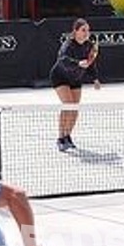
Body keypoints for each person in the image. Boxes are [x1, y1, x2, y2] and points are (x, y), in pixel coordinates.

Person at [49, 17, 101, 151]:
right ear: (75, 31)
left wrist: (95, 79)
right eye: (83, 30)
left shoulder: (89, 45)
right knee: (68, 106)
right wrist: (78, 63)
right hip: (60, 77)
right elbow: (63, 60)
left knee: (75, 110)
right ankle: (60, 138)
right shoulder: (68, 44)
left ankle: (68, 136)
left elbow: (91, 63)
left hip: (76, 78)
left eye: (88, 30)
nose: (86, 33)